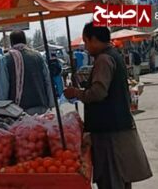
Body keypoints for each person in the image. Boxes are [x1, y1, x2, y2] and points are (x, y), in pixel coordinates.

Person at [64, 22, 152, 189]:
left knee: (112, 179)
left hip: (110, 133)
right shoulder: (113, 55)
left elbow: (98, 93)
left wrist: (76, 93)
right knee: (121, 178)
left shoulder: (104, 59)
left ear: (94, 39)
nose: (86, 47)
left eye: (86, 41)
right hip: (117, 128)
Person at [0, 30, 54, 115]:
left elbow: (3, 88)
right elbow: (48, 81)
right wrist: (51, 103)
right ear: (25, 41)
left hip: (17, 111)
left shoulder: (6, 60)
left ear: (11, 43)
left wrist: (2, 111)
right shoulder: (37, 56)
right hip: (41, 107)